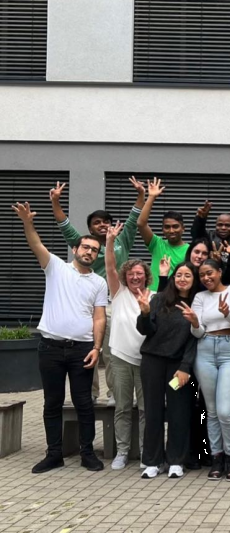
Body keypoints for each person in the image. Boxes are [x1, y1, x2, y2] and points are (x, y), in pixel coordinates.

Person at [13, 202, 107, 474]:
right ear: (75, 249)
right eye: (86, 247)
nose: (90, 252)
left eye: (94, 250)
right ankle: (54, 454)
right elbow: (36, 244)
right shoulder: (55, 267)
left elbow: (99, 318)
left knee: (84, 403)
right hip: (50, 348)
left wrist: (97, 348)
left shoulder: (98, 283)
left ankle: (87, 453)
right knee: (51, 403)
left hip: (83, 350)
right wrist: (27, 222)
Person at [50, 177, 145, 405]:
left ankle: (114, 393)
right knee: (87, 350)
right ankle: (89, 394)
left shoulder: (122, 239)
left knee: (111, 352)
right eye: (96, 222)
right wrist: (55, 202)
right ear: (90, 228)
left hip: (114, 304)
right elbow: (64, 225)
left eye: (106, 222)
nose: (102, 225)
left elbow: (134, 218)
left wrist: (141, 194)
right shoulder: (85, 244)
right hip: (85, 306)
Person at [183, 259, 230, 481]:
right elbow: (198, 333)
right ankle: (216, 456)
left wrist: (227, 313)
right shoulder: (200, 297)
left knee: (225, 410)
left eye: (210, 273)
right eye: (202, 275)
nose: (206, 278)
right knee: (211, 410)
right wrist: (194, 322)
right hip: (205, 350)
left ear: (220, 272)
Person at [136, 262, 200, 479]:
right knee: (152, 410)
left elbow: (195, 340)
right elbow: (146, 330)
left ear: (194, 280)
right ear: (173, 278)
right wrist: (144, 314)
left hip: (178, 366)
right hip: (152, 361)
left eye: (187, 275)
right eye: (179, 274)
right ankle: (153, 461)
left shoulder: (197, 303)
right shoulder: (159, 299)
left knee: (178, 412)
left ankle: (176, 460)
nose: (182, 278)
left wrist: (185, 367)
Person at [104, 222, 152, 471]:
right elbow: (110, 265)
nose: (135, 277)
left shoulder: (153, 297)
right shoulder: (118, 292)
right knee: (122, 406)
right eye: (131, 274)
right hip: (120, 357)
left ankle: (146, 452)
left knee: (146, 409)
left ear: (146, 276)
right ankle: (122, 451)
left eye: (139, 274)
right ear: (125, 276)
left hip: (145, 360)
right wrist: (110, 240)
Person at [137, 177, 189, 290]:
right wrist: (151, 197)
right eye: (167, 227)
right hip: (154, 296)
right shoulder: (157, 244)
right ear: (163, 230)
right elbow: (141, 223)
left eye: (175, 226)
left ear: (183, 228)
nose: (171, 230)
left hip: (177, 298)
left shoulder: (190, 250)